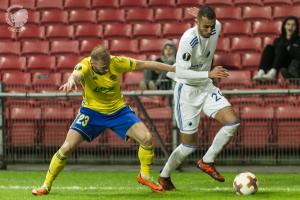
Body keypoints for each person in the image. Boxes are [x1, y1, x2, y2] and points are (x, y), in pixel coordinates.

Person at [32, 45, 175, 195]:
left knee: (146, 138)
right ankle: (46, 185)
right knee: (67, 147)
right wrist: (71, 81)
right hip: (91, 112)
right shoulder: (85, 65)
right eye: (103, 68)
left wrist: (172, 68)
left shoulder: (117, 62)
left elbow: (145, 64)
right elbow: (76, 75)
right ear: (93, 64)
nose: (106, 70)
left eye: (108, 66)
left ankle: (144, 176)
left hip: (118, 111)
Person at [158, 5, 240, 191]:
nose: (209, 30)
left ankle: (207, 161)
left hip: (205, 86)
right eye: (205, 27)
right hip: (186, 91)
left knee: (232, 122)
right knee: (188, 146)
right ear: (196, 23)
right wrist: (208, 74)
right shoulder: (188, 39)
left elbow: (211, 22)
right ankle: (164, 176)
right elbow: (182, 73)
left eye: (211, 26)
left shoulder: (216, 26)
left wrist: (207, 77)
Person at [253, 16, 300, 81]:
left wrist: (289, 48)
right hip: (278, 62)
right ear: (284, 26)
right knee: (269, 47)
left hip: (290, 64)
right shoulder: (278, 40)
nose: (290, 27)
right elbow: (274, 54)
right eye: (288, 24)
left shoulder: (298, 40)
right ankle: (261, 71)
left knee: (281, 46)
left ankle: (273, 72)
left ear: (296, 27)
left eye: (293, 25)